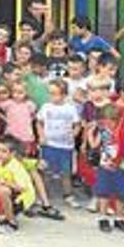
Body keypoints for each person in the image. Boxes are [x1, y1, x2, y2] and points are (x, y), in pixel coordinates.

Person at [83, 78, 124, 234]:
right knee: (103, 192)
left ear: (117, 120)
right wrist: (90, 132)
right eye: (104, 122)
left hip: (122, 165)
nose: (107, 125)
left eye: (110, 122)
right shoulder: (103, 131)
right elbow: (94, 145)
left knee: (121, 193)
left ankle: (118, 218)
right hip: (105, 165)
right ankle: (103, 218)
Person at [36, 79, 82, 209]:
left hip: (65, 146)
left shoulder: (70, 108)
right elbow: (39, 122)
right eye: (50, 93)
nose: (52, 97)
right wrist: (41, 136)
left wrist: (74, 133)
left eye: (55, 93)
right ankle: (43, 194)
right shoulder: (46, 107)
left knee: (65, 172)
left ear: (64, 95)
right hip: (49, 144)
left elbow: (77, 124)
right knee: (45, 170)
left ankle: (68, 195)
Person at [0, 136, 36, 234]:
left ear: (12, 153)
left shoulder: (15, 166)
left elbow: (22, 188)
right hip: (13, 193)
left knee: (2, 190)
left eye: (4, 151)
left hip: (23, 197)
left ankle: (11, 223)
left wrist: (6, 183)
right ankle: (4, 215)